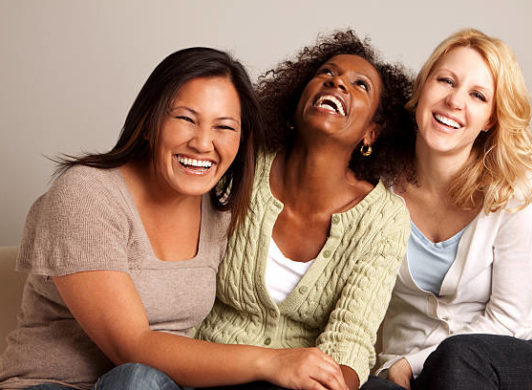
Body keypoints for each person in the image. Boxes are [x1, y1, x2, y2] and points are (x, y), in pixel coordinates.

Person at [0, 48, 353, 390]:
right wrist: (272, 361)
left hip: (162, 384)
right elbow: (132, 347)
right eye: (186, 119)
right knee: (134, 378)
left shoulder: (220, 212)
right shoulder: (86, 195)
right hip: (54, 385)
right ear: (149, 123)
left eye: (224, 127)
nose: (203, 143)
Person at [195, 30, 413, 390]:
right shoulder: (242, 166)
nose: (338, 82)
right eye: (327, 74)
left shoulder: (383, 218)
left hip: (302, 381)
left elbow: (351, 338)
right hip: (216, 368)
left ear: (370, 134)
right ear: (296, 102)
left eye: (360, 85)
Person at [375, 28, 532, 389]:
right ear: (422, 89)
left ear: (491, 120)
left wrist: (414, 362)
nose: (455, 101)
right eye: (446, 81)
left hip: (522, 354)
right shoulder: (377, 187)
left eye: (478, 95)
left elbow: (507, 318)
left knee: (457, 360)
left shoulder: (514, 191)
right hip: (412, 370)